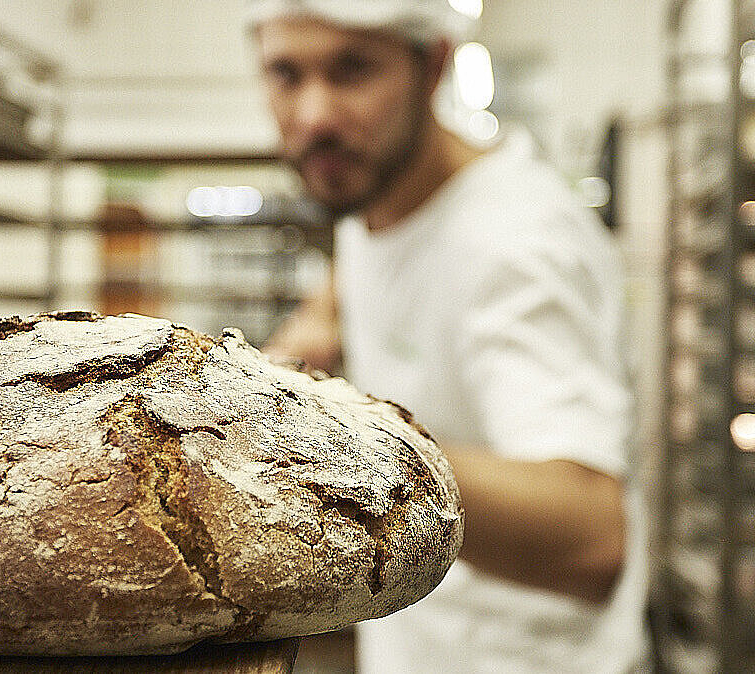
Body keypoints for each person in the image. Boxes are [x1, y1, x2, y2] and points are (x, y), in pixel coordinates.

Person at [244, 1, 649, 672]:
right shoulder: (377, 195)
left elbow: (592, 539)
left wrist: (339, 440)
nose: (314, 114)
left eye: (353, 70)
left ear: (432, 67)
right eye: (286, 73)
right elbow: (355, 285)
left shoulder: (515, 247)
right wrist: (297, 347)